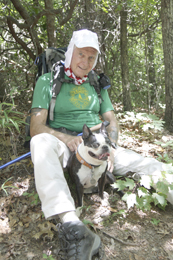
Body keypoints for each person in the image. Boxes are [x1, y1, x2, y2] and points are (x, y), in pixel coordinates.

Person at [30, 29, 173, 260]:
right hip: (66, 144)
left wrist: (112, 148)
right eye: (80, 55)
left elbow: (110, 121)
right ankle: (73, 227)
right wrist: (66, 139)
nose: (85, 63)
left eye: (91, 57)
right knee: (39, 142)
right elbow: (36, 128)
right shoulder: (48, 81)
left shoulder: (96, 83)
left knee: (149, 165)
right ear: (69, 53)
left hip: (100, 145)